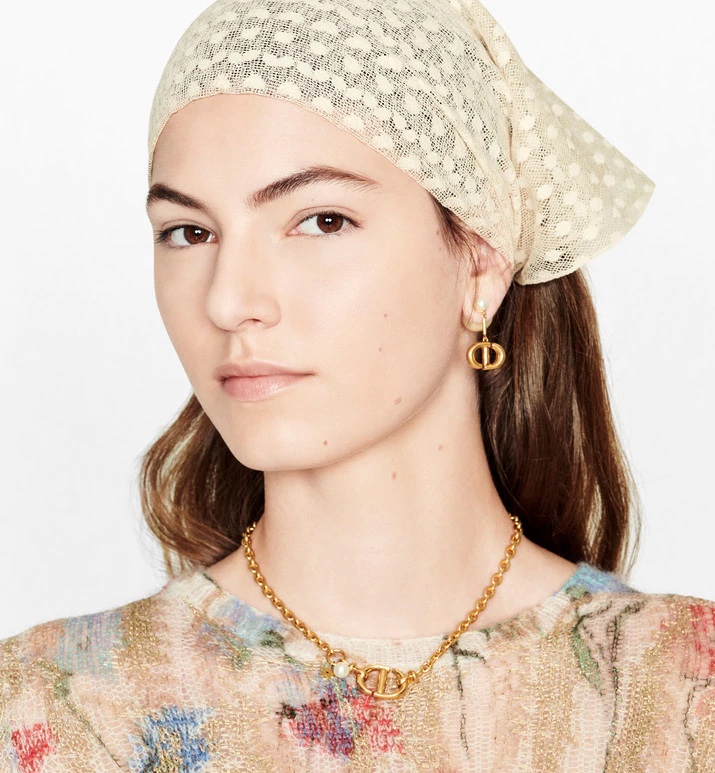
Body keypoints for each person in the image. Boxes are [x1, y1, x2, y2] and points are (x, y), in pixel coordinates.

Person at [1, 0, 713, 769]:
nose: (227, 300)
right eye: (189, 232)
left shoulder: (683, 696)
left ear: (480, 263)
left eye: (321, 221)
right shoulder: (52, 709)